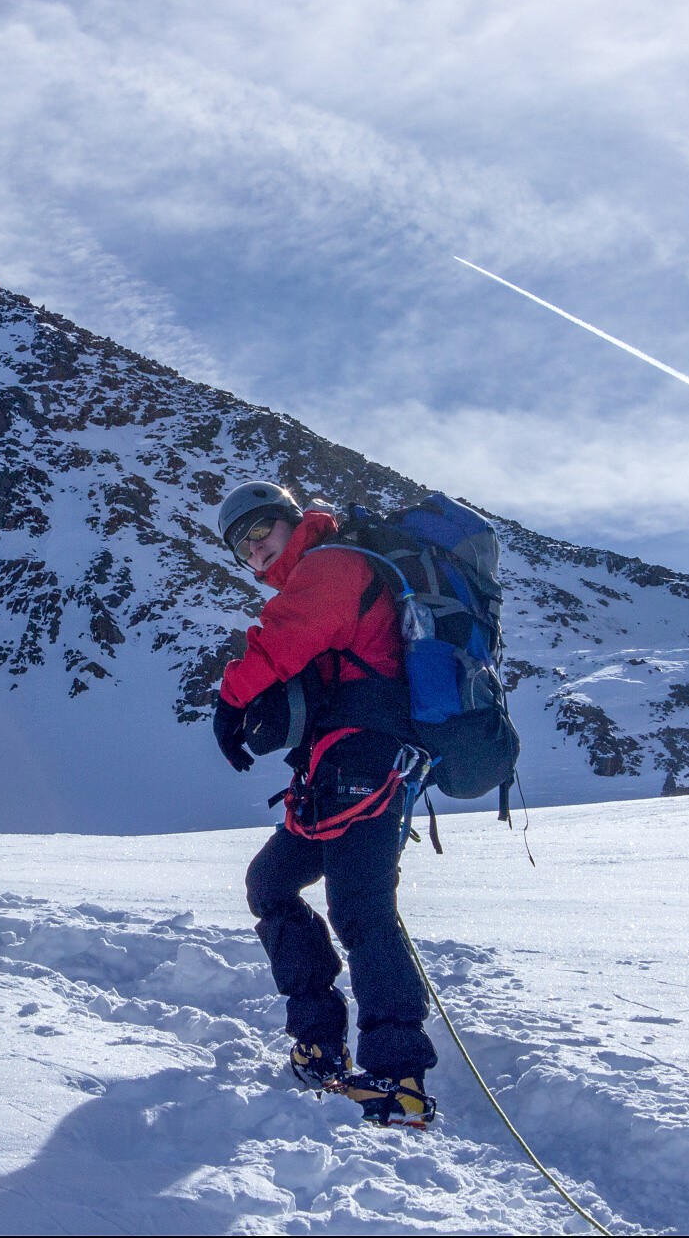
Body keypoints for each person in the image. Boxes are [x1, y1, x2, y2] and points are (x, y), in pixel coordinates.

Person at [211, 480, 437, 1128]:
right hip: (333, 775)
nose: (256, 550)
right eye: (243, 546)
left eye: (262, 531)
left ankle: (401, 1077)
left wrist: (230, 703)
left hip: (369, 768)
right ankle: (319, 1038)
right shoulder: (314, 574)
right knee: (271, 882)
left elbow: (281, 639)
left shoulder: (332, 565)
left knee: (361, 909)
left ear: (290, 521)